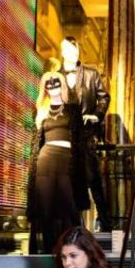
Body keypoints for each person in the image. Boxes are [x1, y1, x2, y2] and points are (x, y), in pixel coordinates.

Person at [27, 71, 89, 254]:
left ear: (62, 85)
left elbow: (80, 140)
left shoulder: (72, 109)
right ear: (44, 88)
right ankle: (49, 254)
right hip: (45, 160)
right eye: (48, 83)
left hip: (66, 160)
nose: (53, 86)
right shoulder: (40, 112)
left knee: (70, 206)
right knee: (45, 209)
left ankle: (74, 250)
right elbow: (36, 141)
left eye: (56, 82)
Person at [59, 38, 111, 231]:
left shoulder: (91, 74)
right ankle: (72, 225)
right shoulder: (56, 76)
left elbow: (104, 97)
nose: (74, 53)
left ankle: (105, 222)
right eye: (70, 50)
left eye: (76, 50)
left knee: (93, 177)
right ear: (62, 52)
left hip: (86, 133)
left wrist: (96, 115)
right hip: (64, 134)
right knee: (68, 180)